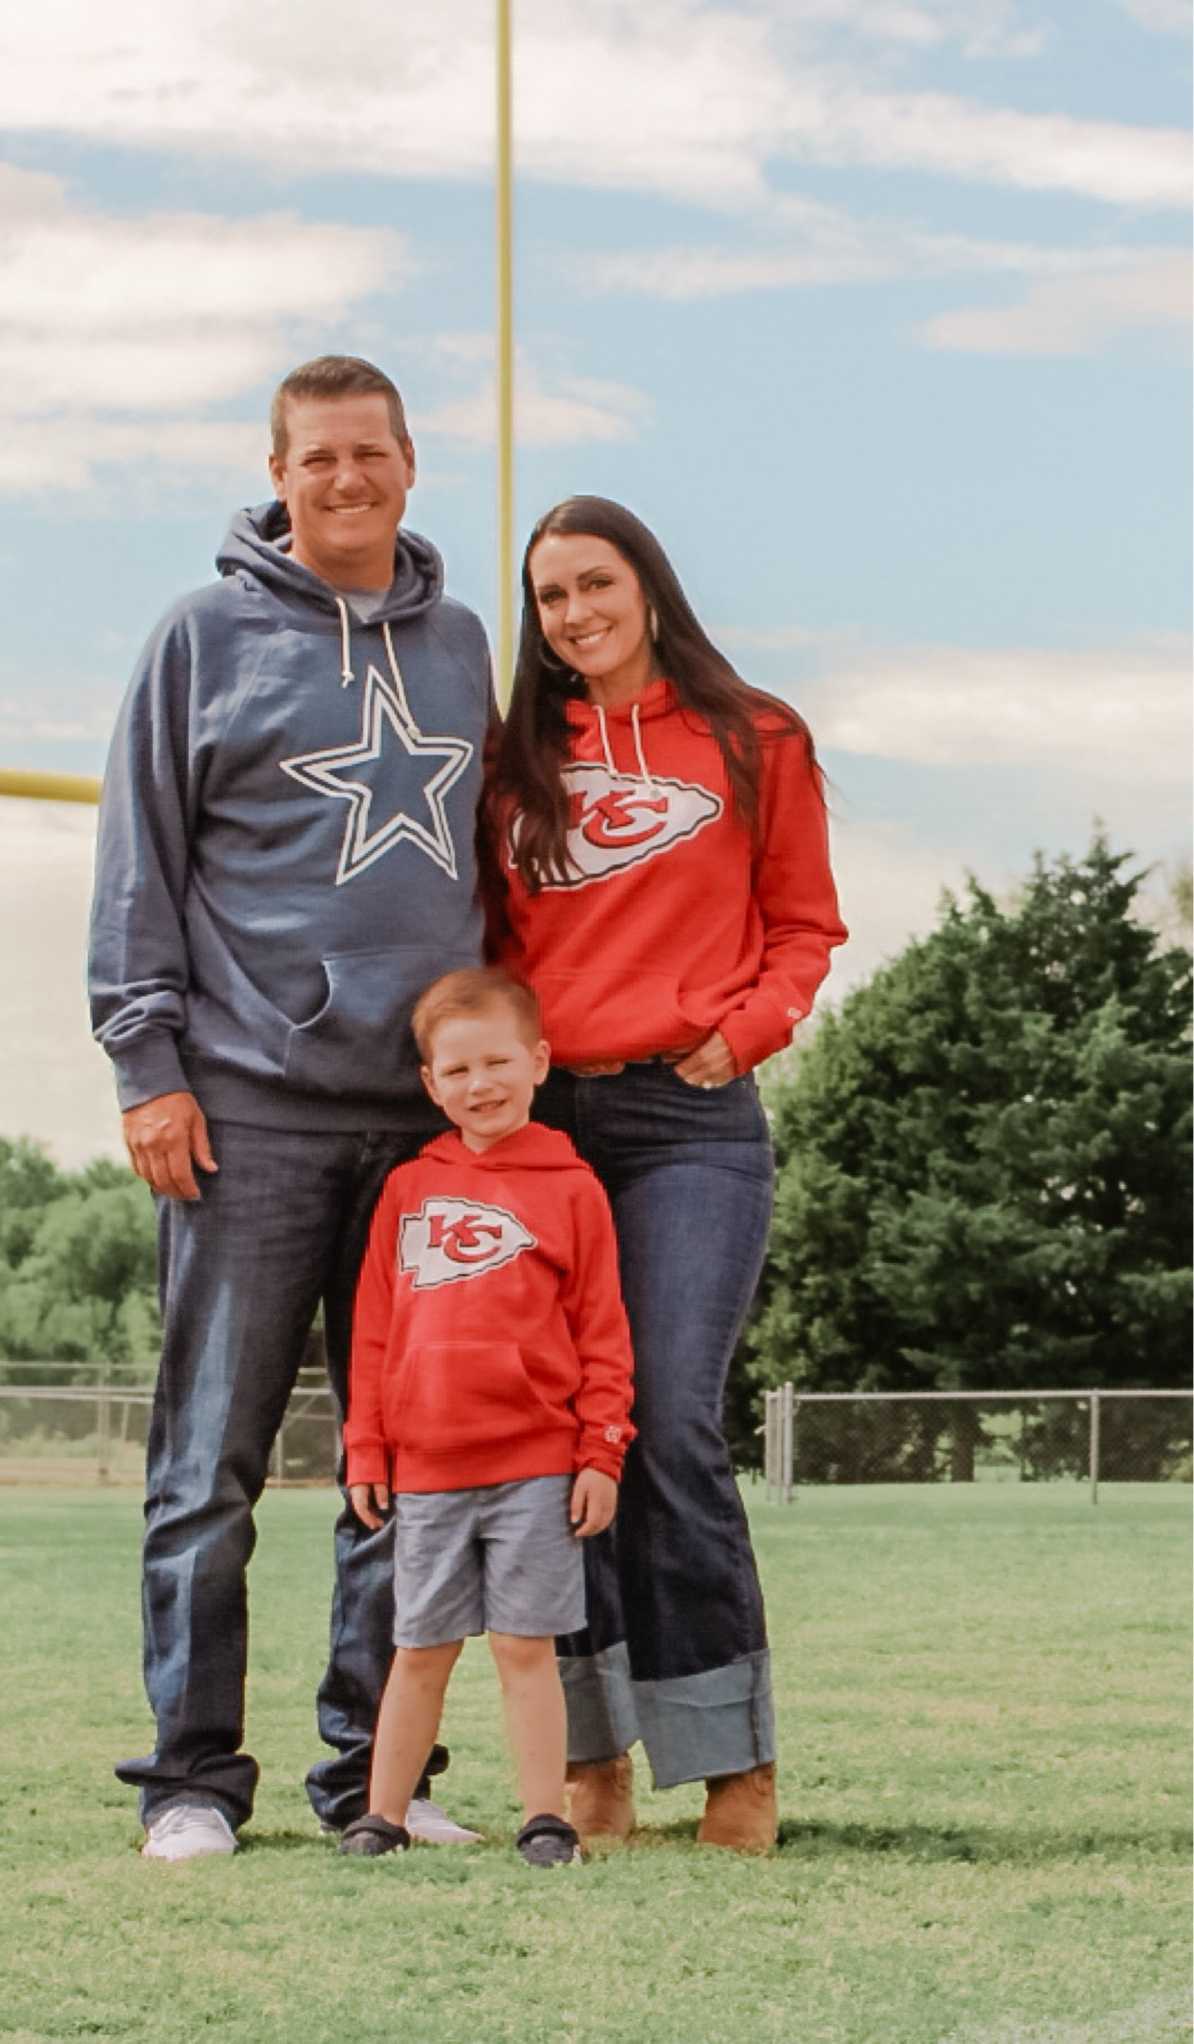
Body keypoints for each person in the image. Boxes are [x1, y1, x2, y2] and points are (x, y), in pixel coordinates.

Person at [89, 356, 497, 1862]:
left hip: (418, 1129)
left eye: (369, 453)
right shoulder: (200, 635)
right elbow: (137, 856)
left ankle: (368, 1778)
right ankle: (191, 1778)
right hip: (246, 1112)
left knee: (403, 1464)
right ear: (277, 470)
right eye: (316, 457)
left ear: (408, 461)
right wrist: (147, 1065)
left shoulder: (457, 643)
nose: (345, 479)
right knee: (211, 1466)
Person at [487, 496, 846, 1853]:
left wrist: (743, 1028)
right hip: (549, 1132)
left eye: (594, 583)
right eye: (548, 598)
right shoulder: (514, 761)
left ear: (646, 585)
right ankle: (591, 1757)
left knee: (673, 1424)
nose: (572, 614)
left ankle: (730, 1762)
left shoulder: (756, 736)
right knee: (565, 1439)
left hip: (693, 1125)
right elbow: (483, 948)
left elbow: (803, 927)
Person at [338, 968, 636, 1868]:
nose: (481, 1085)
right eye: (458, 1070)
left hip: (538, 1467)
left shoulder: (572, 1189)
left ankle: (544, 1819)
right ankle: (381, 1816)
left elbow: (602, 1331)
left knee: (522, 1646)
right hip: (426, 1468)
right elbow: (374, 1332)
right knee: (419, 1649)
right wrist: (366, 1445)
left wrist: (601, 1450)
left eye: (498, 1061)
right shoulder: (406, 1191)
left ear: (539, 1061)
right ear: (431, 1085)